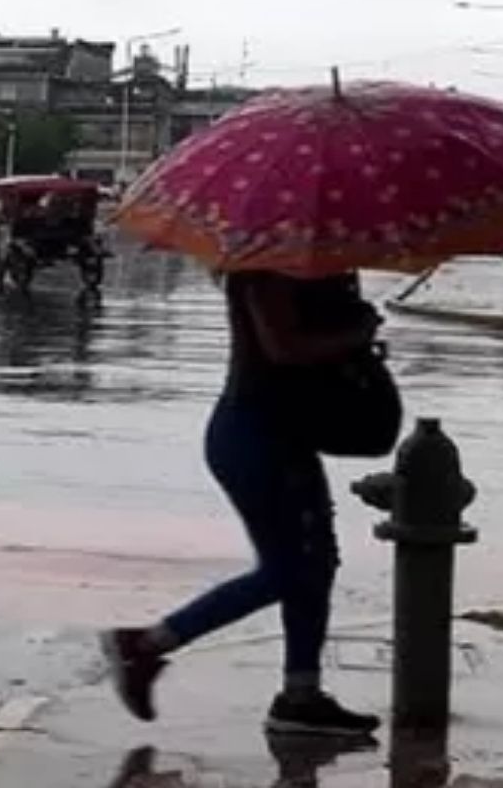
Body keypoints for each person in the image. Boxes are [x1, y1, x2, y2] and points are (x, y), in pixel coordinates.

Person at [100, 270, 381, 737]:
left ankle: (301, 695)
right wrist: (356, 332)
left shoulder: (298, 259)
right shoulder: (267, 266)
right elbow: (283, 347)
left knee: (314, 564)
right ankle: (144, 645)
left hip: (283, 435)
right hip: (258, 438)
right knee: (289, 570)